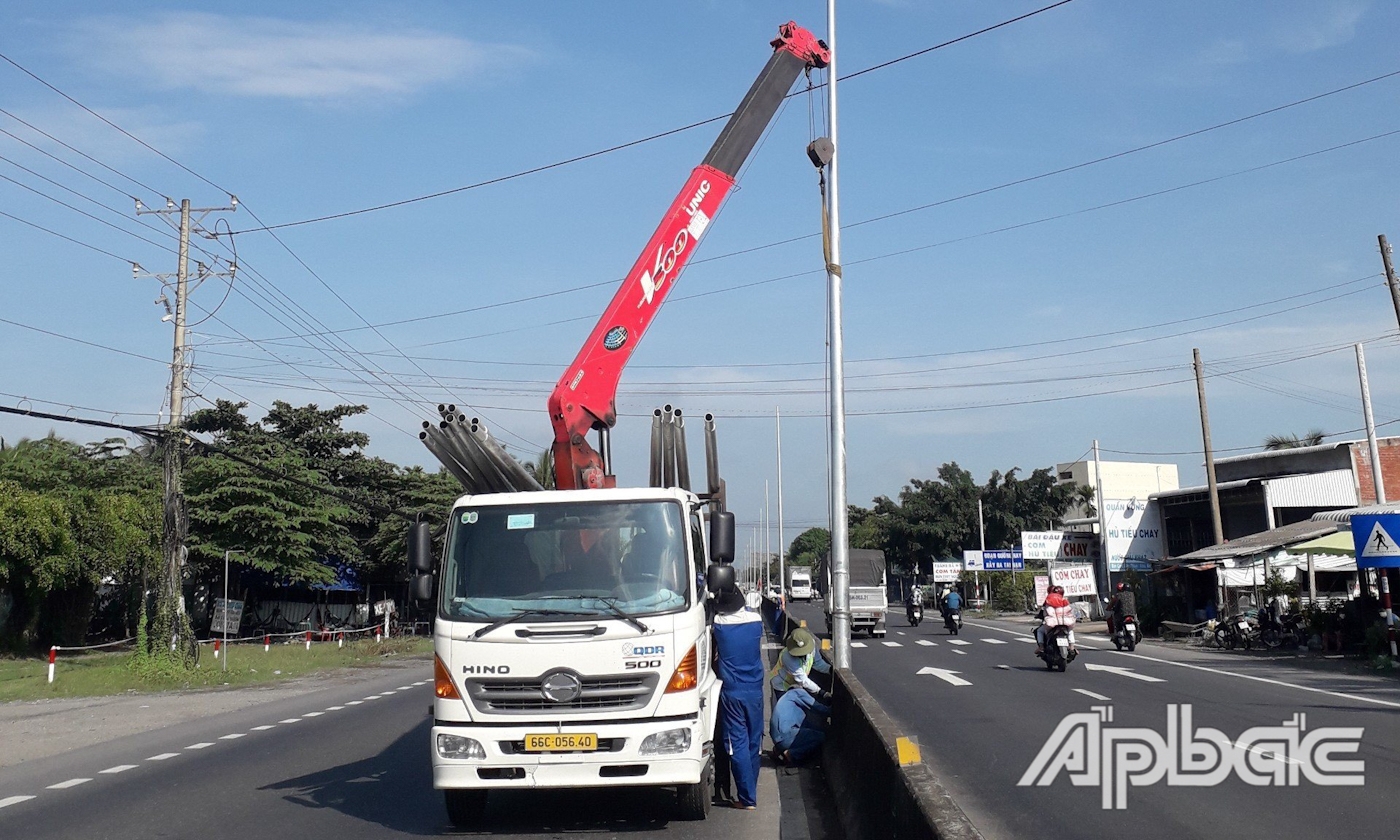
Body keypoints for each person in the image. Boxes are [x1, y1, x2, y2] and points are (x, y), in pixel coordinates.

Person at [711, 583, 765, 811]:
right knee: (754, 742)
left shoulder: (719, 626)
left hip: (732, 692)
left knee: (737, 744)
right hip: (756, 689)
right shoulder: (756, 622)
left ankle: (747, 798)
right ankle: (750, 790)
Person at [769, 626, 830, 707]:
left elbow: (818, 663)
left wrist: (829, 669)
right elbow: (802, 680)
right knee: (787, 710)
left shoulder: (812, 644)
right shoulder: (787, 657)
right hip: (783, 686)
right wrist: (821, 692)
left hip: (797, 685)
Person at [770, 684, 831, 764]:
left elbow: (806, 726)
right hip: (786, 737)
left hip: (777, 739)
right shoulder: (798, 693)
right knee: (821, 737)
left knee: (809, 733)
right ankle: (792, 754)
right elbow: (819, 708)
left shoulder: (786, 698)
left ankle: (779, 749)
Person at [1035, 585, 1077, 654]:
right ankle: (1072, 647)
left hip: (1052, 623)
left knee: (1039, 631)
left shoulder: (1048, 600)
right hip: (1066, 622)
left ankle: (1041, 647)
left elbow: (1044, 612)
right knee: (1070, 631)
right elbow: (1070, 612)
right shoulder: (1065, 600)